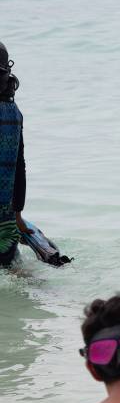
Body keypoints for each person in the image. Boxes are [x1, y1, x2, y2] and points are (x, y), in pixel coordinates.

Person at [0, 42, 30, 267]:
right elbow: (20, 168)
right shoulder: (14, 112)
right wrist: (18, 216)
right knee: (15, 272)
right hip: (6, 223)